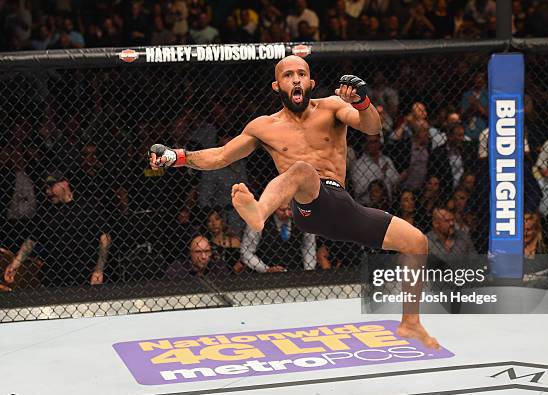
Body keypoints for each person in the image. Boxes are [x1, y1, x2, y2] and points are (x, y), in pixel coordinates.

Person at [149, 55, 439, 349]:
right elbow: (221, 155)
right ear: (277, 85)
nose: (296, 79)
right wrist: (177, 157)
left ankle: (411, 322)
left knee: (416, 243)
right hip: (306, 206)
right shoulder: (264, 126)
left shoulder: (332, 107)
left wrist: (363, 101)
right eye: (288, 75)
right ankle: (259, 213)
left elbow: (371, 127)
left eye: (302, 73)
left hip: (341, 206)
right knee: (301, 170)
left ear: (311, 82)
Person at [4, 172, 111, 287]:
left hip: (85, 275)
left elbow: (104, 238)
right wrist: (16, 263)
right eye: (46, 187)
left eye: (51, 186)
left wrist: (99, 269)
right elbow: (31, 240)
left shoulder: (87, 206)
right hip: (53, 278)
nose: (48, 191)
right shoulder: (46, 212)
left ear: (65, 183)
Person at [241, 204, 316, 273]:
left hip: (296, 271)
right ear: (274, 207)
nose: (287, 214)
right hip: (265, 276)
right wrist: (265, 269)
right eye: (282, 210)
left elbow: (309, 247)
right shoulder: (259, 221)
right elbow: (246, 251)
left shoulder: (303, 220)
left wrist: (308, 271)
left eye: (290, 209)